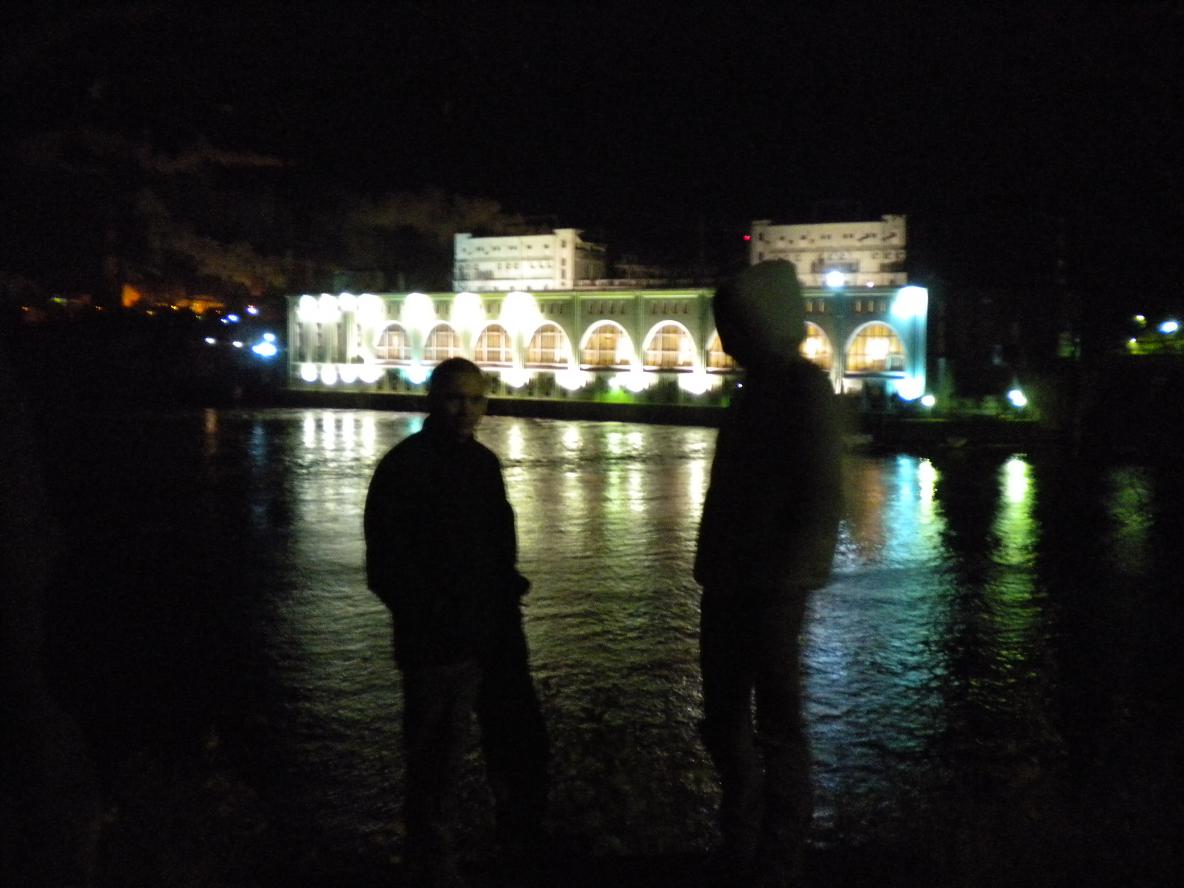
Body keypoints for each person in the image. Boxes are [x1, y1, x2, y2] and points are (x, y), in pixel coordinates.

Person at [364, 357, 549, 887]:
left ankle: (495, 848)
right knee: (436, 759)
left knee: (508, 744)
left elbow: (497, 547)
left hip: (490, 634)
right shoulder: (407, 468)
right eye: (454, 398)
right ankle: (434, 861)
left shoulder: (479, 464)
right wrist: (431, 615)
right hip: (439, 642)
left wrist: (504, 594)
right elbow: (387, 565)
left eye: (475, 399)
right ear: (432, 399)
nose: (465, 410)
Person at [694, 261, 843, 886]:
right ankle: (749, 842)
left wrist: (787, 575)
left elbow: (818, 497)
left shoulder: (798, 390)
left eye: (732, 326)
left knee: (768, 722)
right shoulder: (762, 389)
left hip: (764, 586)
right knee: (729, 718)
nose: (726, 340)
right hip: (737, 580)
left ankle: (773, 854)